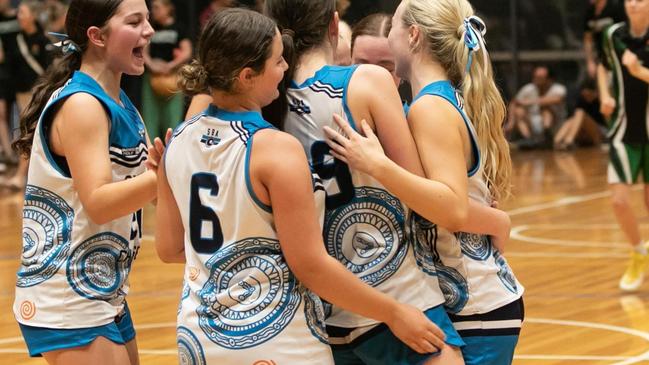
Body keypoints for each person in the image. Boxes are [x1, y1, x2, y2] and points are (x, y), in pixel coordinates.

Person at [156, 8, 446, 364]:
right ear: (247, 75)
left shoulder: (178, 139)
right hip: (273, 333)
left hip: (199, 333)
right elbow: (309, 264)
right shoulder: (275, 147)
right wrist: (394, 312)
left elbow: (170, 248)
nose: (285, 69)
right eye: (279, 61)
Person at [264, 0, 468, 363]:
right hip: (395, 296)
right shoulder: (366, 81)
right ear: (334, 24)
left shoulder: (263, 99)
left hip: (319, 309)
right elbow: (428, 199)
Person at [324, 0, 524, 364]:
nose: (389, 37)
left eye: (394, 28)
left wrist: (377, 165)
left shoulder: (428, 107)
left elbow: (451, 206)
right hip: (465, 296)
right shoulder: (434, 100)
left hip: (475, 303)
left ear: (413, 36)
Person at [11, 0, 162, 363]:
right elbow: (98, 200)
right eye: (135, 21)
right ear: (97, 36)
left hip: (103, 287)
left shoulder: (121, 102)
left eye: (148, 19)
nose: (149, 30)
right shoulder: (83, 105)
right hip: (68, 292)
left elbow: (139, 191)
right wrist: (165, 175)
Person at [599, 0, 649, 291]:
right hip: (622, 128)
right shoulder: (613, 34)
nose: (633, 4)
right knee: (619, 200)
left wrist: (639, 71)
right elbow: (604, 68)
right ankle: (638, 252)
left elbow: (636, 71)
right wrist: (606, 95)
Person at [0, 0, 52, 190]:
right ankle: (26, 177)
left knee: (30, 135)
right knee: (29, 135)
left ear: (33, 16)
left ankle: (21, 176)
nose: (19, 17)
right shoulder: (16, 40)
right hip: (20, 94)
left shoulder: (44, 41)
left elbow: (50, 72)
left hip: (38, 96)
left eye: (22, 12)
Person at [142, 0, 191, 139]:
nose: (154, 11)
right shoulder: (152, 29)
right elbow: (145, 52)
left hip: (172, 77)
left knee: (172, 116)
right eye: (153, 8)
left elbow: (187, 52)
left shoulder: (179, 29)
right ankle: (151, 149)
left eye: (157, 8)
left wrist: (170, 66)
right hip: (152, 77)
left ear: (168, 8)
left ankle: (172, 147)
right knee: (150, 116)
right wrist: (152, 65)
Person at [350, 12, 411, 103]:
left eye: (385, 70)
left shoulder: (415, 116)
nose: (372, 80)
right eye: (360, 67)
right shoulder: (329, 111)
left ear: (403, 72)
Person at [506, 65, 567, 149]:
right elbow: (514, 102)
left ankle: (546, 138)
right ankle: (528, 140)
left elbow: (557, 99)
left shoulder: (558, 88)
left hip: (555, 127)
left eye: (540, 77)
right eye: (535, 76)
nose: (536, 79)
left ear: (549, 79)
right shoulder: (528, 88)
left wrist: (529, 102)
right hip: (532, 125)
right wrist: (511, 122)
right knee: (519, 111)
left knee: (546, 110)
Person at [553, 78, 606, 150]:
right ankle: (558, 141)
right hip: (584, 134)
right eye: (584, 94)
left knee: (580, 112)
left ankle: (568, 141)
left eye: (589, 94)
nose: (586, 96)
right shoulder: (581, 101)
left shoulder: (602, 101)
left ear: (595, 92)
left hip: (600, 133)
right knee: (571, 119)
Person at [584, 0, 626, 78]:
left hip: (618, 57)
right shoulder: (589, 12)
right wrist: (590, 61)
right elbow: (588, 39)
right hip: (601, 58)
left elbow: (625, 33)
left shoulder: (615, 6)